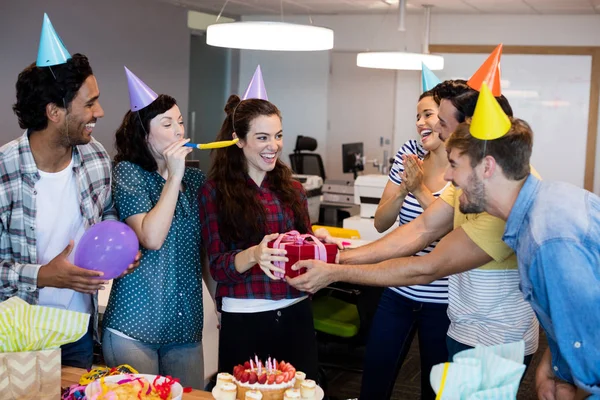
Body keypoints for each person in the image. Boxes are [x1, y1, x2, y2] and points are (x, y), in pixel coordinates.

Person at [287, 79, 539, 367]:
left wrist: (332, 272)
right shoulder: (471, 178)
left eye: (441, 121)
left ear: (468, 125)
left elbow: (427, 267)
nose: (433, 129)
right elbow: (420, 230)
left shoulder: (504, 199)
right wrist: (337, 257)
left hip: (496, 343)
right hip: (466, 328)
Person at [0, 51, 140, 369]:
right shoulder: (4, 171)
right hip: (17, 338)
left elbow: (106, 214)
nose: (100, 112)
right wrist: (44, 276)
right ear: (54, 112)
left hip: (78, 332)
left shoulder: (96, 158)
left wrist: (120, 249)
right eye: (89, 103)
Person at [444, 118, 598, 399]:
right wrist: (551, 365)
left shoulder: (546, 241)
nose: (446, 176)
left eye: (454, 164)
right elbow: (574, 314)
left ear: (487, 167)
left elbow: (593, 360)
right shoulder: (548, 202)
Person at [199, 93, 333, 381]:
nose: (274, 146)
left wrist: (317, 247)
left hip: (295, 310)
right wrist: (255, 254)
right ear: (238, 139)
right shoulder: (215, 192)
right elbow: (219, 268)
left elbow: (306, 252)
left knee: (302, 393)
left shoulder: (294, 190)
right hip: (246, 315)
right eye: (262, 138)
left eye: (278, 136)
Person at [101, 71, 207, 389]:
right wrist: (174, 176)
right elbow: (151, 237)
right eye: (167, 124)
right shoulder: (128, 174)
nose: (179, 131)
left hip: (185, 327)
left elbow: (204, 253)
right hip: (133, 328)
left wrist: (221, 305)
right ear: (144, 134)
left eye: (179, 122)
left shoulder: (197, 182)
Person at [363, 89, 450, 400]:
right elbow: (381, 223)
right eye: (417, 116)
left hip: (444, 300)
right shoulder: (410, 152)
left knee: (434, 388)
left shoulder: (462, 164)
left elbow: (451, 234)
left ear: (449, 118)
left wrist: (419, 188)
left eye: (427, 114)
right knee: (375, 378)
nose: (419, 123)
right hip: (399, 288)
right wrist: (402, 190)